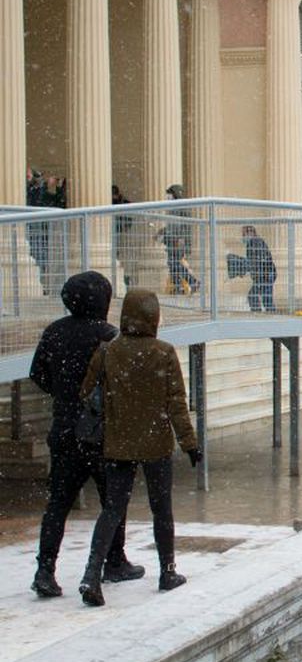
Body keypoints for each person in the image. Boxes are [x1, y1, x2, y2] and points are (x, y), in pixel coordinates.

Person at [78, 289, 202, 607]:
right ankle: (167, 570)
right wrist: (189, 443)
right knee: (162, 509)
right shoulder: (163, 352)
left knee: (113, 510)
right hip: (156, 442)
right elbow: (176, 403)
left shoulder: (109, 351)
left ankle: (92, 574)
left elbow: (86, 392)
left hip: (118, 442)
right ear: (154, 317)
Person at [29, 272, 143, 598]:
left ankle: (45, 569)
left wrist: (65, 396)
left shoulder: (54, 332)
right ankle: (114, 560)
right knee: (113, 500)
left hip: (64, 430)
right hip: (101, 434)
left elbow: (37, 373)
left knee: (58, 504)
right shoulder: (109, 336)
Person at [159, 185, 199, 295]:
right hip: (172, 240)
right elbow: (171, 225)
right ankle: (177, 286)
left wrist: (181, 239)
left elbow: (184, 227)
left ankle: (191, 281)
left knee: (175, 263)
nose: (168, 197)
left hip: (178, 241)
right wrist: (163, 232)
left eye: (170, 194)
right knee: (172, 263)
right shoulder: (173, 208)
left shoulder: (181, 207)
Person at [240, 226, 276, 312]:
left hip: (265, 274)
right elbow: (253, 260)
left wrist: (248, 270)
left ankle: (263, 313)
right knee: (262, 296)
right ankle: (263, 313)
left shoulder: (255, 242)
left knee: (261, 296)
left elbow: (258, 259)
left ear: (250, 233)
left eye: (244, 234)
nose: (243, 236)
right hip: (265, 273)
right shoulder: (255, 242)